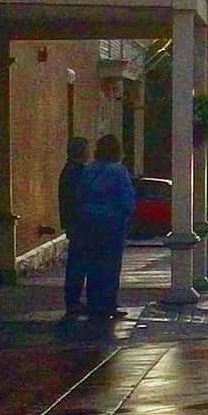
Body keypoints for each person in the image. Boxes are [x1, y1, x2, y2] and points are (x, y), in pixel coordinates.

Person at [78, 133, 135, 326]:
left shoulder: (88, 170)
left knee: (93, 264)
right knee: (111, 265)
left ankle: (94, 303)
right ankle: (108, 304)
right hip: (112, 224)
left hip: (89, 222)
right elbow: (126, 199)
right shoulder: (118, 171)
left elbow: (81, 194)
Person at [57, 136, 90, 323]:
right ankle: (73, 301)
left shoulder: (68, 171)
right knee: (78, 263)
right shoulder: (78, 172)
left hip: (73, 222)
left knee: (77, 262)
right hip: (80, 223)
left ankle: (73, 300)